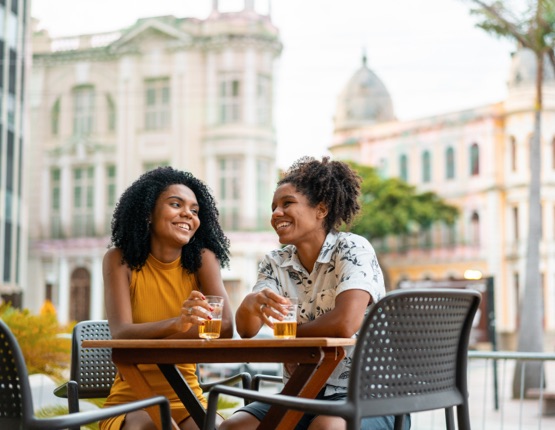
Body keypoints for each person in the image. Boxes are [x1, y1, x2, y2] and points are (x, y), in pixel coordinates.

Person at [221, 156, 409, 430]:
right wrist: (251, 304)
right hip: (300, 394)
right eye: (273, 206)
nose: (275, 213)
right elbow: (247, 330)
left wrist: (291, 336)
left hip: (367, 395)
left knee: (325, 427)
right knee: (233, 427)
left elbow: (345, 323)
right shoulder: (275, 261)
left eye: (287, 203)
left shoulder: (352, 248)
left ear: (321, 210)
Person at [100, 166, 233, 430]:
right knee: (153, 425)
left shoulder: (202, 260)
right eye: (176, 204)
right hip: (131, 403)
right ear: (148, 213)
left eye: (195, 211)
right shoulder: (119, 260)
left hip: (187, 399)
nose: (188, 214)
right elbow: (121, 333)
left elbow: (225, 327)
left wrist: (156, 333)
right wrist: (178, 324)